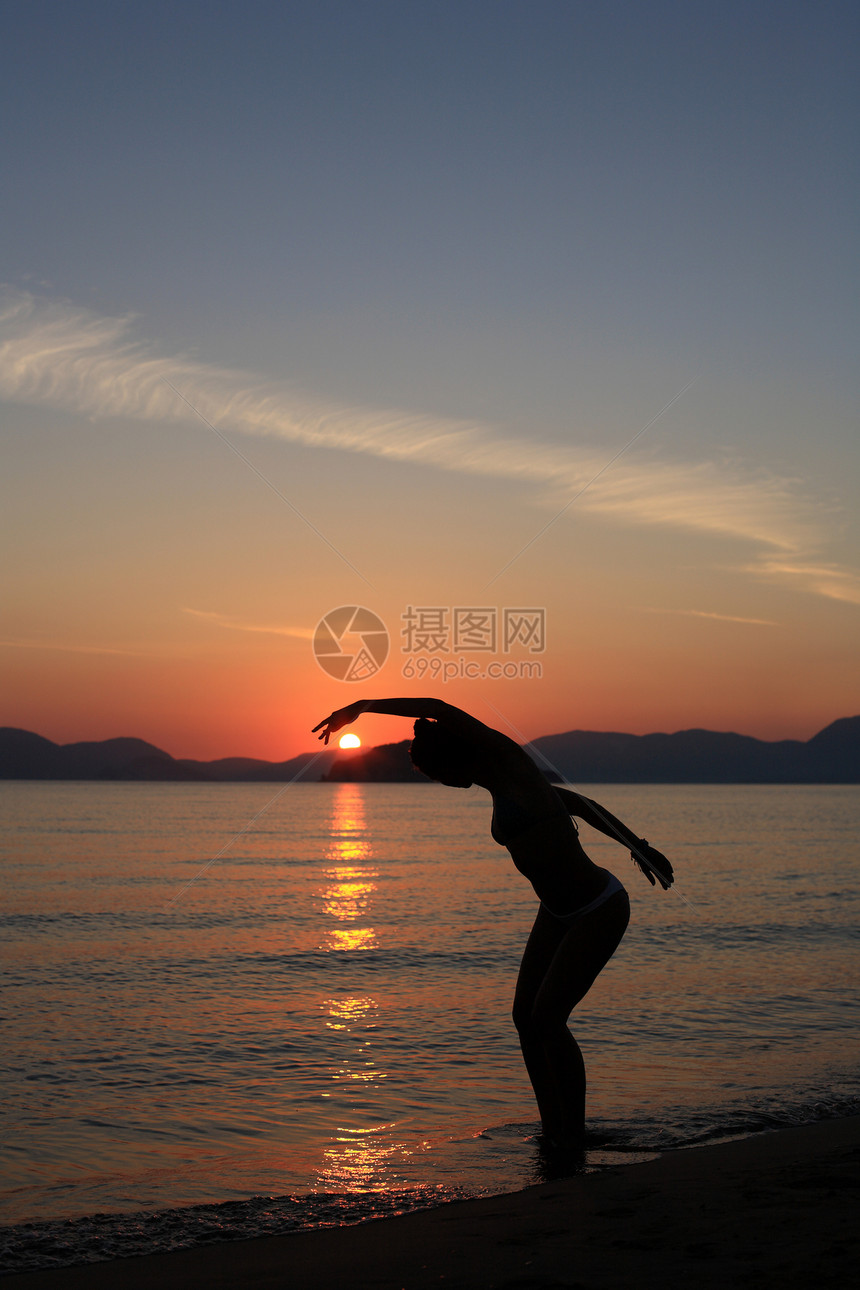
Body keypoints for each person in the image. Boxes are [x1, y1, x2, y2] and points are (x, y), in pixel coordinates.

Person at [312, 697, 673, 1150]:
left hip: (598, 906)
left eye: (441, 775)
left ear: (455, 760)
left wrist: (363, 706)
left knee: (547, 1018)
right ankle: (553, 1128)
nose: (447, 784)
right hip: (556, 912)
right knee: (524, 1017)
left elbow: (437, 706)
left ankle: (573, 1135)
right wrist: (632, 843)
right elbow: (579, 804)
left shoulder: (511, 763)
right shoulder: (501, 787)